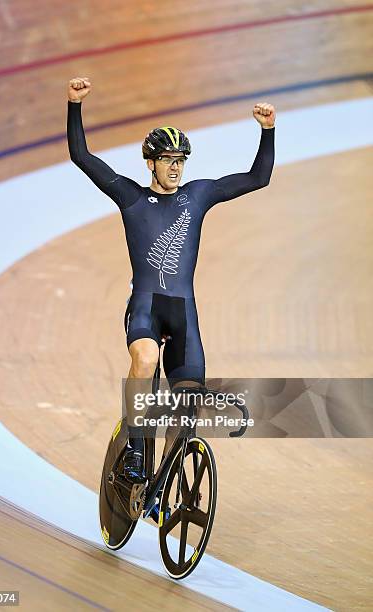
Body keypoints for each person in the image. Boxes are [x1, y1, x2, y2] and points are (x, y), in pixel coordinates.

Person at [67, 76, 275, 485]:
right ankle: (132, 447)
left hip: (183, 315)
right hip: (145, 307)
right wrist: (74, 104)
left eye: (181, 159)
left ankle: (161, 487)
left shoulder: (197, 195)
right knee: (144, 359)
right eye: (167, 159)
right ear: (150, 163)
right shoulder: (129, 196)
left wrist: (268, 132)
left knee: (185, 410)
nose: (176, 167)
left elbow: (258, 178)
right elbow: (81, 155)